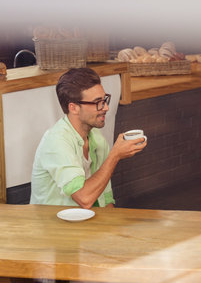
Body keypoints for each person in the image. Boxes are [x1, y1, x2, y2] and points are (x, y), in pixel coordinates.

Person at [30, 67, 146, 208]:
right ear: (73, 108)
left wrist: (113, 228)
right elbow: (84, 198)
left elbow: (106, 197)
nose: (106, 108)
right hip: (53, 227)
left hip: (86, 224)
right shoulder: (56, 141)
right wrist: (115, 155)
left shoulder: (97, 139)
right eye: (98, 102)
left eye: (105, 100)